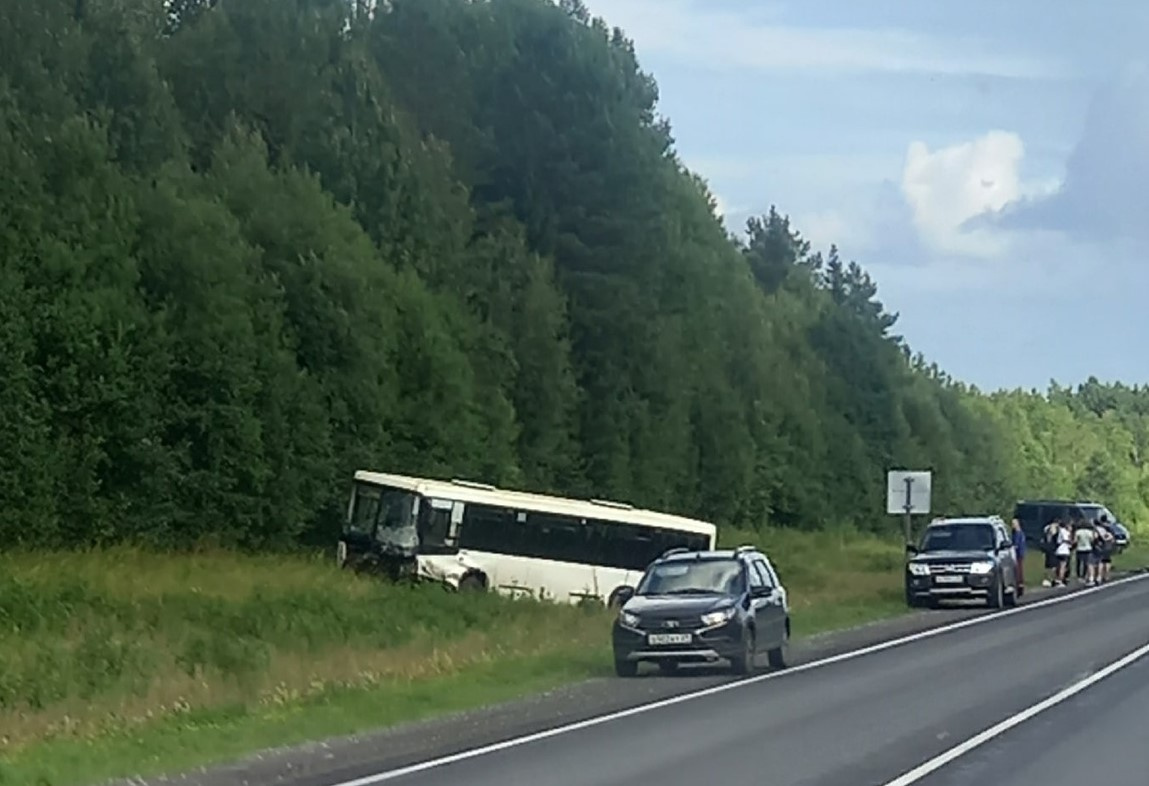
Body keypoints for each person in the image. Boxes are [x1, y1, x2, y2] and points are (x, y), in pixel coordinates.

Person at [1074, 519, 1096, 584]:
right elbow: (1092, 540)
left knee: (1079, 563)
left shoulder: (1078, 532)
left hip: (1079, 548)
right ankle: (1085, 575)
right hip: (1088, 548)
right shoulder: (1089, 532)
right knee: (1087, 563)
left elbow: (1075, 541)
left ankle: (1079, 576)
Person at [1041, 518, 1061, 587]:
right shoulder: (1052, 529)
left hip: (1048, 548)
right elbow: (1053, 535)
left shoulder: (1046, 528)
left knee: (1049, 565)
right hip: (1052, 548)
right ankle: (1051, 579)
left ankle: (1049, 579)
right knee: (1053, 565)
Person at [1054, 519, 1073, 586]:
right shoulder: (1065, 532)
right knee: (1063, 567)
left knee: (1058, 566)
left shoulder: (1059, 531)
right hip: (1064, 551)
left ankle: (1057, 579)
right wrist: (1071, 539)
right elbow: (1066, 540)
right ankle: (1060, 580)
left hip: (1058, 551)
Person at [1011, 518, 1027, 592]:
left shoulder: (1018, 533)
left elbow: (1016, 544)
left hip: (1018, 553)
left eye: (1014, 523)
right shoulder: (1020, 533)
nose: (1012, 525)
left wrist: (1013, 548)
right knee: (1019, 568)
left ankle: (1019, 583)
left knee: (1018, 568)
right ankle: (1020, 583)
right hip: (1020, 552)